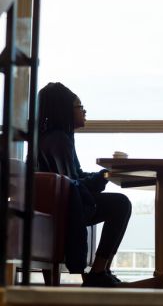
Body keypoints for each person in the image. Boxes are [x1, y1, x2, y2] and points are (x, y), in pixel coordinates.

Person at [37, 82, 132, 288]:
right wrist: (105, 175)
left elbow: (74, 177)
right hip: (66, 207)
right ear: (65, 111)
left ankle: (100, 271)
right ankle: (98, 271)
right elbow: (73, 185)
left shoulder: (52, 139)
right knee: (121, 204)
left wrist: (105, 175)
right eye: (79, 106)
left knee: (118, 203)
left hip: (57, 203)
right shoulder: (59, 140)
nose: (84, 111)